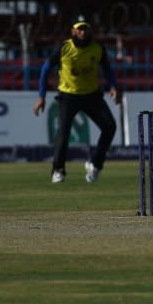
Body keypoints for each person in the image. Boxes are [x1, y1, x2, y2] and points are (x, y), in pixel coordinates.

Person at [33, 15, 122, 183]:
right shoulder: (64, 48)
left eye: (85, 29)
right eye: (79, 29)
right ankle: (58, 170)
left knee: (110, 126)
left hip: (92, 95)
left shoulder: (98, 49)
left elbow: (107, 69)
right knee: (63, 132)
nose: (82, 32)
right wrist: (41, 96)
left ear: (90, 30)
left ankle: (94, 163)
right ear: (73, 31)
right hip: (68, 96)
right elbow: (45, 69)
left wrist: (113, 87)